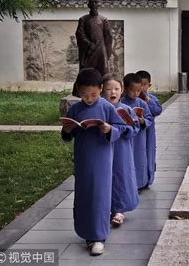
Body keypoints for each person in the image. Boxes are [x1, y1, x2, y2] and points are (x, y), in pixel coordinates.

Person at [61, 68, 125, 256]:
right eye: (84, 95)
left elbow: (120, 127)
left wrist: (108, 129)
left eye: (93, 94)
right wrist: (67, 129)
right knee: (84, 195)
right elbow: (67, 136)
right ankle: (86, 233)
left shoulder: (106, 107)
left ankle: (98, 237)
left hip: (102, 160)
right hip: (82, 159)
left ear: (100, 88)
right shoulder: (75, 108)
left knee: (99, 196)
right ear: (78, 91)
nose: (89, 99)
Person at [101, 74, 139, 227]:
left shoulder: (126, 109)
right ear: (102, 90)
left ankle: (119, 210)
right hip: (103, 149)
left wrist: (121, 130)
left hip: (121, 149)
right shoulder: (100, 108)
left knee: (121, 176)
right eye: (109, 89)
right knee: (105, 177)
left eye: (116, 89)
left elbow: (134, 128)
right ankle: (104, 208)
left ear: (122, 90)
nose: (113, 92)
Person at [121, 73, 154, 191]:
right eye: (132, 90)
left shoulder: (142, 103)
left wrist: (142, 120)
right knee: (126, 160)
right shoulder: (121, 103)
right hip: (126, 137)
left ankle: (140, 183)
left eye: (138, 91)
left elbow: (150, 118)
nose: (135, 93)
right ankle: (128, 185)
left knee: (139, 160)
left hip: (139, 138)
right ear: (125, 89)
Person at [137, 70, 163, 187]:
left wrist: (147, 100)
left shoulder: (151, 98)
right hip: (136, 134)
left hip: (149, 132)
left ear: (149, 85)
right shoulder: (131, 99)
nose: (142, 87)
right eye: (139, 84)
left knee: (149, 153)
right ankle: (138, 180)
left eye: (144, 84)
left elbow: (157, 110)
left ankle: (148, 178)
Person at [75, 0, 113, 77]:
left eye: (96, 3)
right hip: (89, 49)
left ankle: (104, 88)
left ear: (98, 5)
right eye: (91, 3)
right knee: (86, 71)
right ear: (88, 5)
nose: (94, 5)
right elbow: (80, 34)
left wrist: (107, 52)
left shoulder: (103, 20)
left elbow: (108, 36)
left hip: (101, 50)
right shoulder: (83, 19)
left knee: (104, 71)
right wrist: (88, 44)